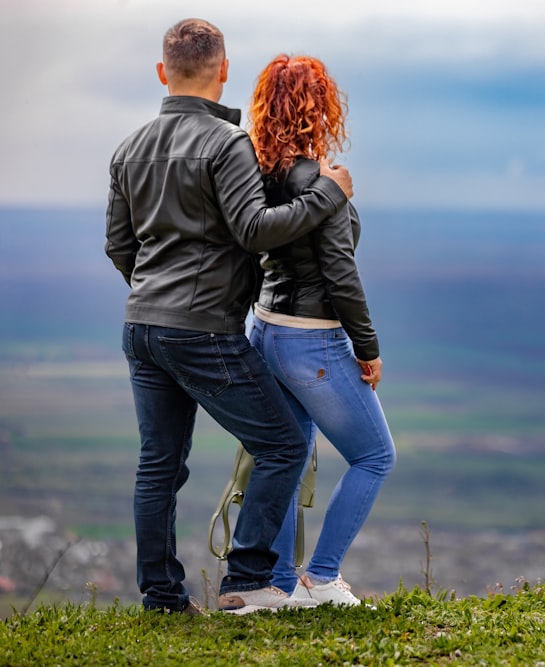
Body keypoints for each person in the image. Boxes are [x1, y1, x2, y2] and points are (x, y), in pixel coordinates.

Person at [105, 19, 354, 615]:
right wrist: (328, 194)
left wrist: (154, 296)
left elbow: (119, 246)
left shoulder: (129, 147)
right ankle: (246, 581)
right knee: (284, 443)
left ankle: (163, 598)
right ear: (223, 71)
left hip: (141, 327)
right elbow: (254, 230)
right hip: (202, 328)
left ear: (164, 73)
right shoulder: (226, 144)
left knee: (159, 464)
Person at [244, 54, 396, 607]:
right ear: (322, 108)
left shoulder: (259, 176)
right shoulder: (320, 181)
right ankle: (322, 577)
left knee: (286, 457)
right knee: (376, 456)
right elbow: (339, 273)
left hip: (265, 330)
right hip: (314, 341)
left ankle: (279, 584)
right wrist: (368, 348)